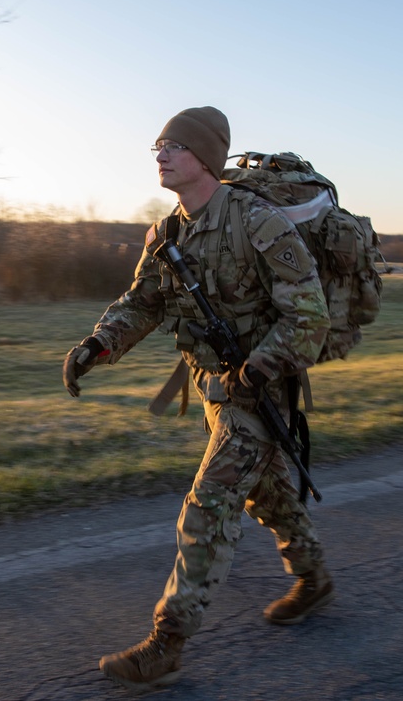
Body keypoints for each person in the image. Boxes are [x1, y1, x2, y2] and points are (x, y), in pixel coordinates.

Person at [62, 106, 335, 691]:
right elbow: (145, 303)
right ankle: (315, 578)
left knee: (210, 503)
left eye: (173, 145)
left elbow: (309, 315)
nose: (159, 153)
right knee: (268, 496)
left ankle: (167, 643)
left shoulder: (257, 221)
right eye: (158, 144)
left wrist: (260, 368)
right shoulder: (167, 235)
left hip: (261, 390)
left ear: (204, 157)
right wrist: (98, 345)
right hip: (215, 391)